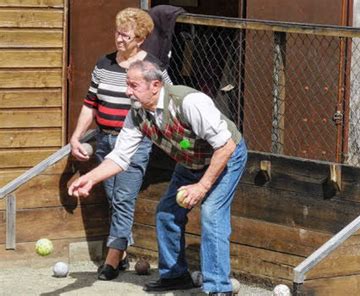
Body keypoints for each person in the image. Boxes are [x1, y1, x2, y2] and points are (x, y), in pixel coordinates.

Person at [68, 60, 247, 296]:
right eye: (127, 84)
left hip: (227, 156)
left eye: (133, 85)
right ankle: (175, 276)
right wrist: (90, 179)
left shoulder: (190, 102)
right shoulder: (137, 115)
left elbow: (226, 146)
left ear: (155, 85)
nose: (127, 91)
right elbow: (121, 157)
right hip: (190, 161)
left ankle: (217, 288)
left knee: (212, 213)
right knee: (166, 212)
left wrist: (202, 186)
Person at [69, 8, 172, 280]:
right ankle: (123, 250)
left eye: (126, 35)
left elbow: (166, 100)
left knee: (124, 199)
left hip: (136, 142)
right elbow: (91, 103)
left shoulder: (151, 67)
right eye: (117, 33)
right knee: (114, 198)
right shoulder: (104, 63)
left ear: (140, 39)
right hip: (104, 140)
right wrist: (76, 135)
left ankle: (112, 260)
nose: (119, 39)